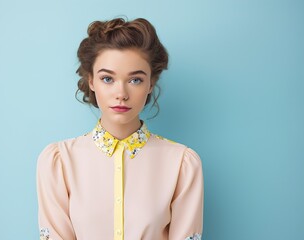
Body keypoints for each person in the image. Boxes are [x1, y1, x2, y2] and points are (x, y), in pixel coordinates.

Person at [36, 17, 204, 240]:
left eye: (135, 80)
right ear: (91, 81)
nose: (121, 93)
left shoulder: (182, 164)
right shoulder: (59, 161)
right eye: (107, 78)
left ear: (150, 84)